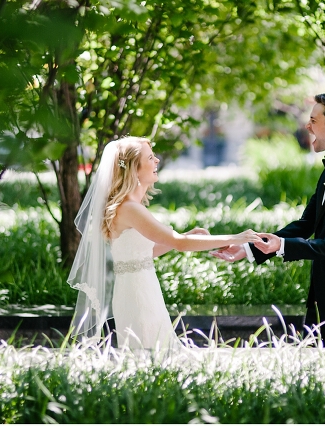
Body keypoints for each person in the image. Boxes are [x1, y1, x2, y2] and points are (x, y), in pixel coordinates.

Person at [213, 94, 325, 344]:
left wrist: (282, 246)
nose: (307, 126)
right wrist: (250, 248)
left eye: (314, 120)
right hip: (324, 294)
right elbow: (306, 225)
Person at [67, 136, 261, 350]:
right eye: (150, 157)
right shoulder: (130, 208)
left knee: (152, 355)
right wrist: (235, 238)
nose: (157, 160)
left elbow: (144, 253)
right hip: (139, 296)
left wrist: (191, 234)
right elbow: (179, 243)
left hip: (141, 289)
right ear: (134, 168)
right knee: (152, 355)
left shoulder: (128, 207)